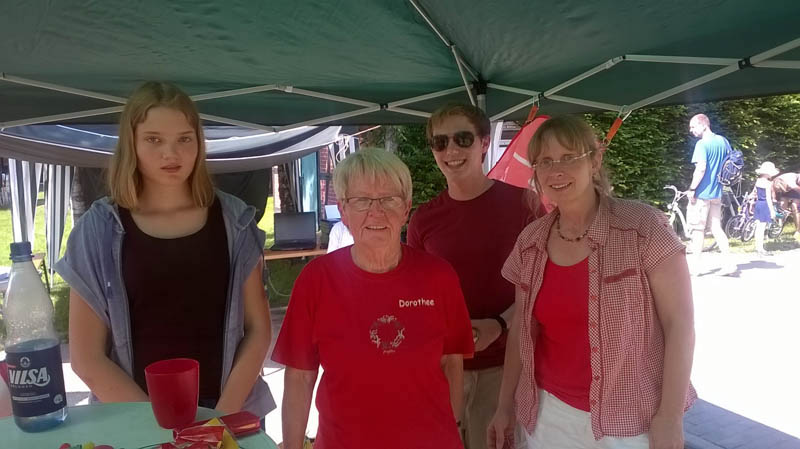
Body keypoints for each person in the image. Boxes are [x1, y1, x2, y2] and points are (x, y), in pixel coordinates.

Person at [55, 82, 275, 419]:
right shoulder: (98, 229)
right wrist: (160, 428)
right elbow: (87, 358)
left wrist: (218, 421)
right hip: (133, 423)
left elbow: (258, 330)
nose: (171, 154)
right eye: (154, 140)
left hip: (228, 416)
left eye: (184, 139)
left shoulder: (234, 220)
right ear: (131, 144)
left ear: (199, 142)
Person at [487, 115, 696, 449]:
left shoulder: (643, 228)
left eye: (569, 157)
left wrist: (670, 417)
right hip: (548, 416)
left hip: (630, 421)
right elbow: (521, 333)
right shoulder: (530, 242)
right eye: (545, 162)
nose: (556, 171)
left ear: (595, 161)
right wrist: (504, 405)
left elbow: (680, 324)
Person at [272, 148, 474, 449]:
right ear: (343, 211)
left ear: (406, 208)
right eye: (361, 200)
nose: (376, 212)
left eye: (389, 199)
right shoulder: (316, 280)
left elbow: (452, 362)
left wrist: (452, 427)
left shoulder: (439, 276)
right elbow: (300, 377)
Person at [407, 103, 534, 449]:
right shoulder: (423, 220)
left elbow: (542, 286)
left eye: (462, 139)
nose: (451, 150)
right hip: (444, 369)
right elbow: (416, 297)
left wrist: (500, 324)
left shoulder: (524, 205)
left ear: (484, 142)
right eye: (440, 142)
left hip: (506, 371)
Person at [686, 113, 736, 276]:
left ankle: (695, 268)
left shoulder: (702, 144)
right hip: (717, 192)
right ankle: (729, 264)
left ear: (703, 125)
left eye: (693, 126)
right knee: (716, 228)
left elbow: (701, 169)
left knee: (698, 230)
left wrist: (692, 189)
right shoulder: (723, 141)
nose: (691, 130)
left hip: (702, 193)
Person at [752, 162, 779, 256]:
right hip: (764, 205)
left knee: (758, 227)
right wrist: (772, 211)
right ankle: (761, 249)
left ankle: (758, 247)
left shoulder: (758, 181)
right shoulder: (768, 183)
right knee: (762, 227)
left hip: (758, 204)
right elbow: (768, 198)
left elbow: (754, 193)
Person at [773, 171, 800, 240]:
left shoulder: (795, 180)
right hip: (784, 188)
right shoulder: (790, 177)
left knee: (795, 207)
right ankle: (777, 228)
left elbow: (796, 188)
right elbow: (794, 187)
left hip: (792, 189)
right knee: (782, 208)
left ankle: (798, 231)